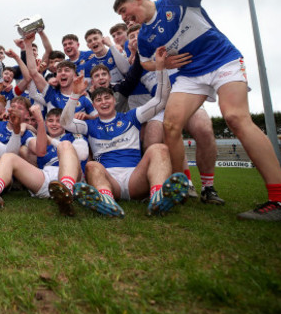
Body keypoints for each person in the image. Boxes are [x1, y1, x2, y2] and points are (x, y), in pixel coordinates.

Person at [113, 0, 281, 221]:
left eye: (127, 12)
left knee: (236, 118)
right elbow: (148, 63)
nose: (128, 19)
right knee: (171, 124)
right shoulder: (146, 36)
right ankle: (182, 185)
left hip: (223, 61)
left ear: (139, 0)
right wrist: (162, 64)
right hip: (190, 76)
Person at [60, 47, 190, 218]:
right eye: (98, 100)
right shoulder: (90, 125)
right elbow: (65, 122)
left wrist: (160, 68)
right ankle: (106, 202)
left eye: (107, 98)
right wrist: (75, 95)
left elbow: (160, 100)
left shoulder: (131, 116)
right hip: (109, 181)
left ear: (114, 100)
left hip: (135, 178)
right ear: (94, 105)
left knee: (159, 148)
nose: (104, 102)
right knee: (92, 166)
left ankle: (157, 197)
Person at [0, 105, 88, 216]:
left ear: (65, 123)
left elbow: (82, 154)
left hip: (72, 179)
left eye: (58, 121)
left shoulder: (73, 136)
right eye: (50, 120)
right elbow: (39, 151)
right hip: (47, 179)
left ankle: (66, 193)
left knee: (65, 145)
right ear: (45, 123)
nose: (54, 124)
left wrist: (51, 140)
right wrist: (35, 127)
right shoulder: (41, 138)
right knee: (9, 156)